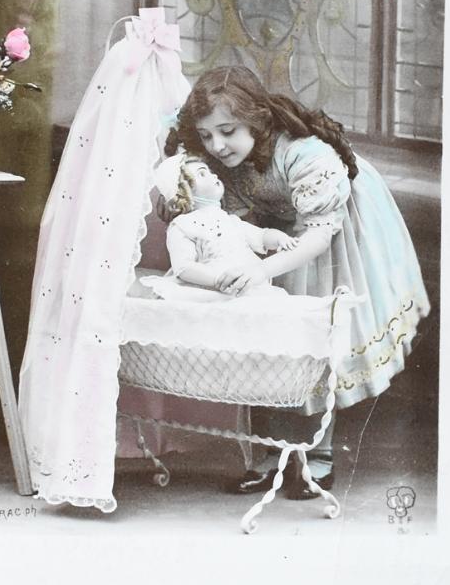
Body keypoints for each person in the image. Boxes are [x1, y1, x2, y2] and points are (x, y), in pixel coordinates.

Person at [166, 65, 430, 499]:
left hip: (333, 236)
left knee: (317, 339)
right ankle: (271, 452)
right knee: (266, 339)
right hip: (274, 234)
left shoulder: (307, 155)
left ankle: (319, 454)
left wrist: (261, 270)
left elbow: (317, 237)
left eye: (227, 131)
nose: (217, 145)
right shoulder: (218, 158)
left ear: (255, 119)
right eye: (207, 135)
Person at [148, 151, 298, 301]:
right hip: (211, 289)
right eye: (202, 174)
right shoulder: (182, 225)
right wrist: (219, 280)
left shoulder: (231, 221)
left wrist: (279, 238)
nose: (214, 175)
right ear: (183, 192)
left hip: (244, 285)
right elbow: (183, 267)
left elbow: (261, 236)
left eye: (210, 171)